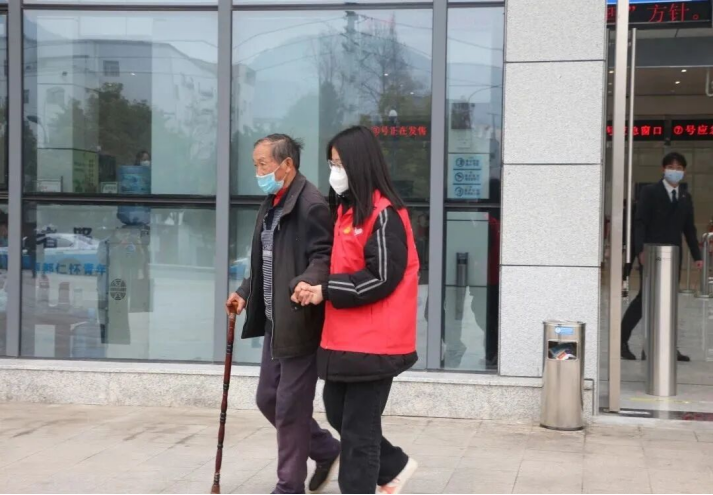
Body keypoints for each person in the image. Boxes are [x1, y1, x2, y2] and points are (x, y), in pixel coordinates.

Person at [294, 126, 419, 495]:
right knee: (337, 411)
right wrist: (312, 286)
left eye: (340, 164)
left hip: (376, 342)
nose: (334, 172)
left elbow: (382, 277)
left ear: (360, 164)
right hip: (343, 338)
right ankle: (394, 466)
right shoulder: (346, 212)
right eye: (331, 164)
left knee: (359, 435)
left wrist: (326, 291)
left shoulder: (385, 214)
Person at [225, 134, 340, 495]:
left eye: (263, 164)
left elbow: (325, 255)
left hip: (300, 320)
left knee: (290, 405)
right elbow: (265, 260)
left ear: (287, 164)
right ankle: (326, 449)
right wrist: (245, 292)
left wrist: (308, 280)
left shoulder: (311, 204)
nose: (258, 172)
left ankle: (288, 486)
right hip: (276, 321)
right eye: (255, 165)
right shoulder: (272, 203)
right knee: (268, 399)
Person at [621, 152, 703, 361]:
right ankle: (621, 341)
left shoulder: (685, 197)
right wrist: (640, 250)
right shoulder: (650, 192)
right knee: (645, 299)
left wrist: (697, 256)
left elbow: (689, 229)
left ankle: (664, 347)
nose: (675, 171)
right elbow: (640, 222)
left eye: (679, 168)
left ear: (684, 171)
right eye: (671, 167)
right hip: (651, 254)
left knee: (668, 301)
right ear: (663, 169)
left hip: (673, 255)